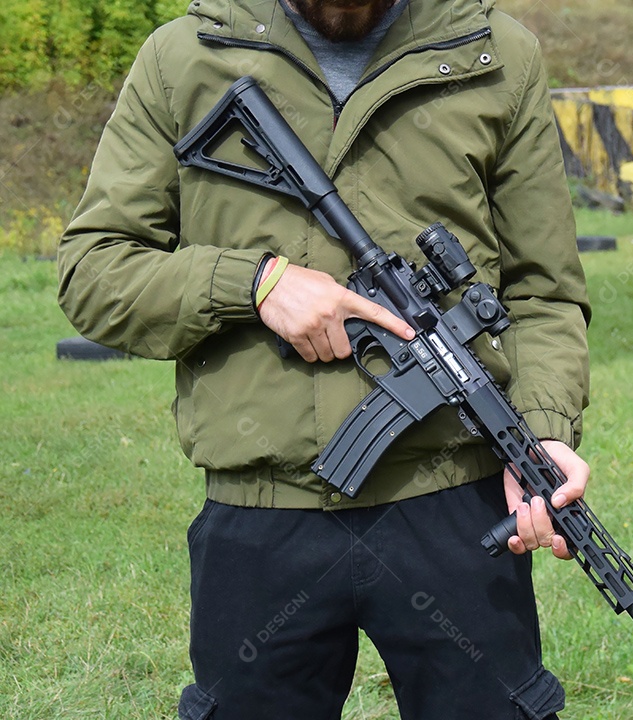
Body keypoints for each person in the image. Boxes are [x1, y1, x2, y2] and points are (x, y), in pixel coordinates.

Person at [57, 0, 591, 718]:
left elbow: (542, 290)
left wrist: (545, 427)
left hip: (457, 507)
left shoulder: (493, 52)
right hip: (261, 517)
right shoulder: (184, 57)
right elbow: (94, 272)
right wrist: (253, 283)